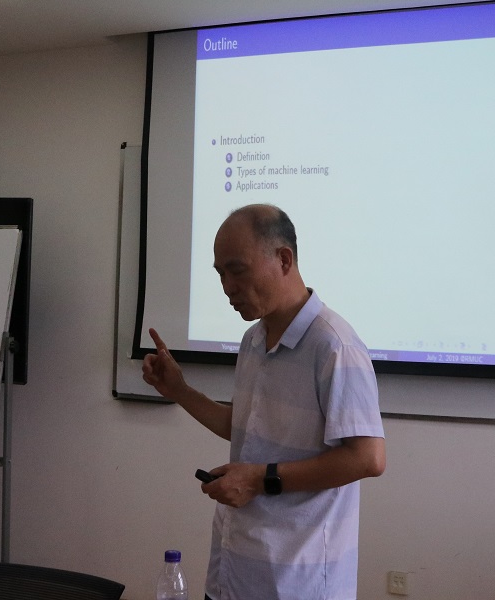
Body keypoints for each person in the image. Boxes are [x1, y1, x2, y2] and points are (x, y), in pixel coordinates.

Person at [143, 203, 386, 600]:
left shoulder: (334, 345)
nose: (227, 287)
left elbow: (368, 458)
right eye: (220, 274)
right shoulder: (253, 340)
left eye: (237, 270)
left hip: (297, 583)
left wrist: (258, 479)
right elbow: (246, 428)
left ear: (284, 259)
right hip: (232, 573)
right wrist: (179, 391)